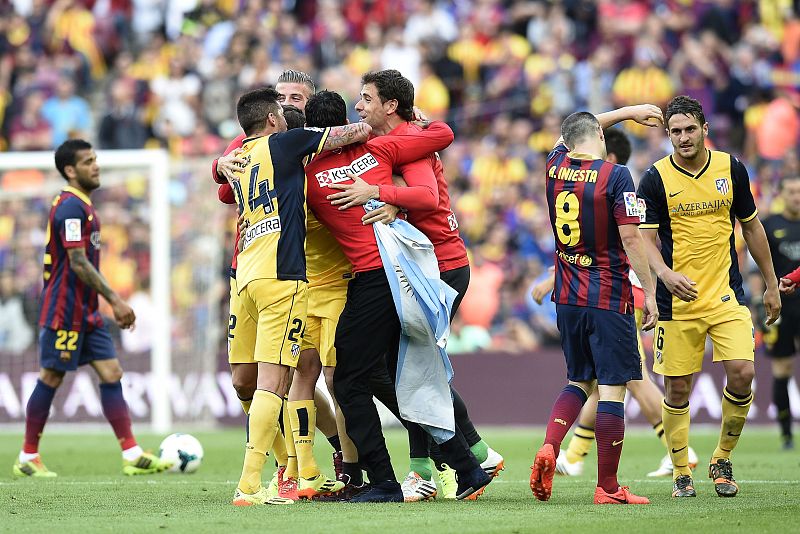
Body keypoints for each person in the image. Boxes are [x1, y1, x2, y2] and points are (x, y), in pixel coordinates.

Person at [302, 89, 491, 503]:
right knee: (394, 375)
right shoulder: (379, 147)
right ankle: (467, 465)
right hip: (407, 273)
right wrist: (417, 126)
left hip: (373, 279)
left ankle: (384, 482)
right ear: (347, 124)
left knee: (348, 380)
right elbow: (442, 135)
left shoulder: (305, 172)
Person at [214, 70, 356, 501]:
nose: (288, 103)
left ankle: (298, 469)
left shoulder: (259, 149)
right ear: (273, 116)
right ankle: (261, 478)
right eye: (282, 98)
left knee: (302, 377)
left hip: (270, 275)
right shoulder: (282, 144)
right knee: (261, 382)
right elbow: (223, 185)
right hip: (274, 274)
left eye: (297, 97)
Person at [531, 128, 698, 478]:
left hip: (586, 294)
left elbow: (606, 239)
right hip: (615, 293)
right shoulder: (615, 179)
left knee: (602, 379)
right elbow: (622, 239)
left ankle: (569, 451)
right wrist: (652, 291)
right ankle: (666, 452)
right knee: (615, 381)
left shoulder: (563, 169)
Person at [637, 95, 781, 498]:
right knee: (677, 389)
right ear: (668, 135)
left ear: (704, 129)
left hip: (725, 295)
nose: (683, 137)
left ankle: (722, 457)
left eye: (689, 129)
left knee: (744, 372)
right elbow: (644, 240)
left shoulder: (730, 168)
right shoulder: (655, 178)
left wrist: (771, 283)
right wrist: (665, 275)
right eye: (675, 131)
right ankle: (681, 470)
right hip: (676, 302)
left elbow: (752, 227)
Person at [13, 139, 172, 478]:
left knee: (112, 373)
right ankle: (27, 456)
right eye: (88, 162)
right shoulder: (70, 207)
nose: (96, 166)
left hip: (86, 312)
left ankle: (132, 453)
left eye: (95, 159)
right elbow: (77, 261)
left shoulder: (83, 205)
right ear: (70, 170)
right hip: (65, 310)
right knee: (51, 377)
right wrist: (115, 300)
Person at [760, 175, 800, 449]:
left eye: (799, 192)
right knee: (782, 368)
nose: (796, 197)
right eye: (791, 192)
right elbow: (757, 268)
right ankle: (786, 434)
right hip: (782, 305)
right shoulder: (769, 225)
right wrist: (758, 300)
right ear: (782, 195)